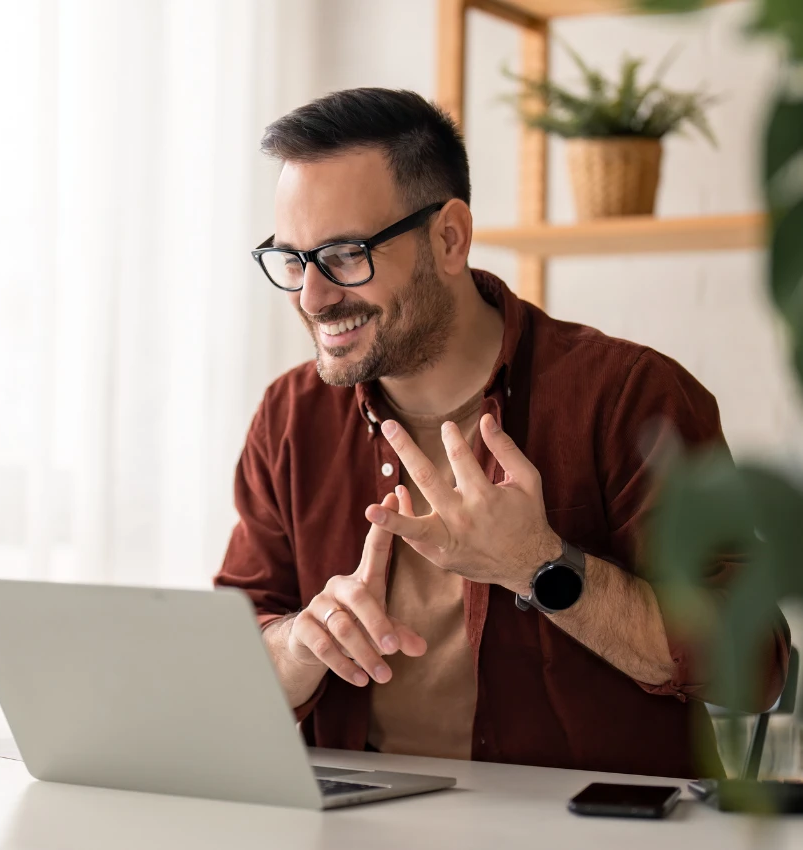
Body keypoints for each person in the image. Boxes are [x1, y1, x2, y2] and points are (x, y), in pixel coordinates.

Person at [215, 87, 789, 778]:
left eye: (343, 255)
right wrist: (294, 648)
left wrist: (542, 566)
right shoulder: (289, 417)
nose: (311, 298)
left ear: (449, 238)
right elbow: (233, 650)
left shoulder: (631, 398)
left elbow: (753, 664)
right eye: (293, 260)